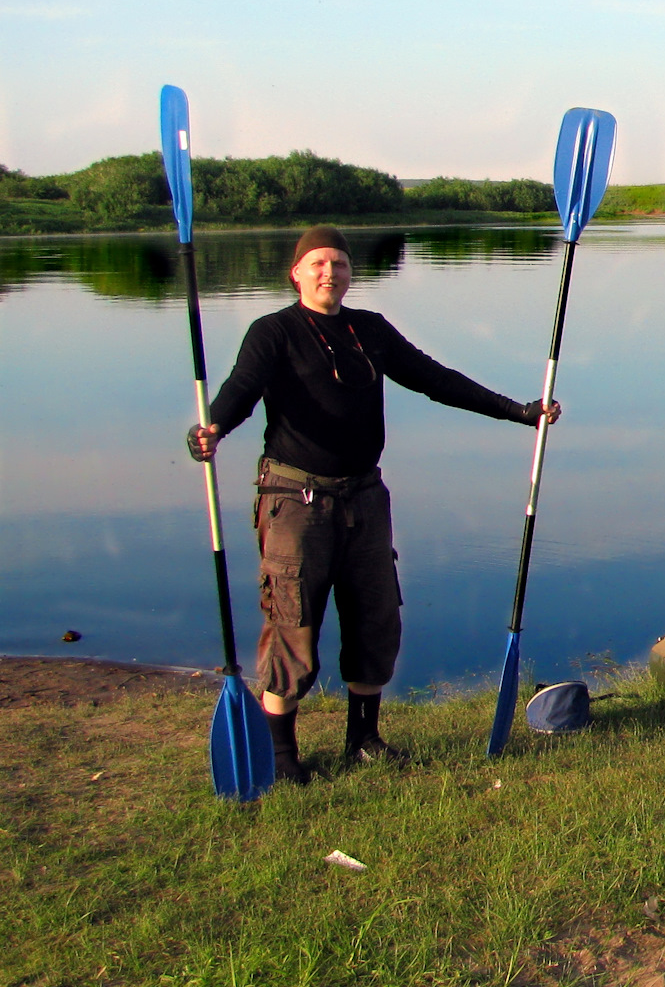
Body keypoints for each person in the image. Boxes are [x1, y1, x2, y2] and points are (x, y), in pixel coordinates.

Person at [187, 225, 557, 786]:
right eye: (316, 264)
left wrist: (518, 411)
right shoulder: (273, 332)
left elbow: (435, 379)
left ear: (350, 272)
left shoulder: (370, 330)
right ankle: (282, 755)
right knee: (292, 619)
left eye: (337, 263)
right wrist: (212, 427)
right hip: (294, 500)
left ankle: (364, 738)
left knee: (376, 616)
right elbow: (242, 388)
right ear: (296, 273)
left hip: (364, 496)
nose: (328, 272)